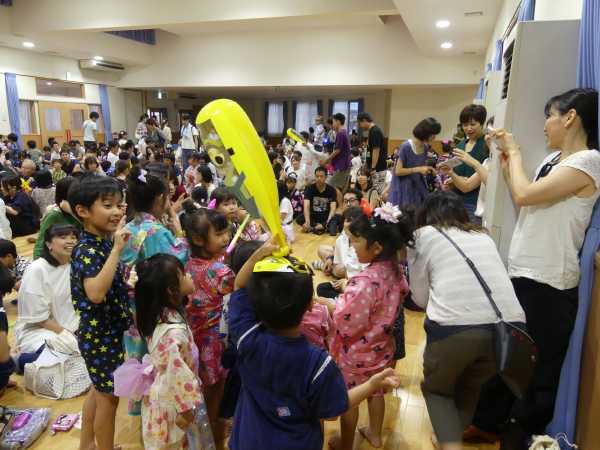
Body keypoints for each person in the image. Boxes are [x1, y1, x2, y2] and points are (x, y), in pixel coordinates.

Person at [475, 88, 600, 448]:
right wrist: (506, 161)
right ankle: (486, 424)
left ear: (570, 117)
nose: (545, 125)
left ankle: (516, 440)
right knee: (505, 355)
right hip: (524, 271)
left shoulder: (589, 161)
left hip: (551, 282)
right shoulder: (554, 159)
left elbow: (525, 194)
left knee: (538, 370)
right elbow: (527, 197)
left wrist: (515, 153)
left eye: (550, 115)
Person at [229, 239, 401, 450]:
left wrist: (259, 255)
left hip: (247, 440)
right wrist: (372, 385)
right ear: (311, 304)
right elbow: (336, 408)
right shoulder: (319, 364)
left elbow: (239, 285)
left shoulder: (247, 338)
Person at [407, 191, 526, 450]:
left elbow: (419, 297)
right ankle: (450, 436)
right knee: (471, 386)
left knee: (438, 390)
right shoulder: (483, 236)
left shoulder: (422, 236)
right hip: (509, 331)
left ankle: (450, 442)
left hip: (454, 328)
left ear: (425, 215)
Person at [323, 202, 410, 450]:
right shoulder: (396, 271)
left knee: (349, 398)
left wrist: (326, 304)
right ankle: (375, 434)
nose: (352, 247)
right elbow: (402, 293)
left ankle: (346, 443)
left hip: (356, 355)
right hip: (382, 348)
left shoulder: (364, 281)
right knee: (376, 390)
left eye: (355, 242)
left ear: (377, 247)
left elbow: (345, 319)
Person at [115, 254, 208, 449]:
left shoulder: (159, 314)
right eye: (184, 275)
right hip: (174, 404)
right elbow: (177, 375)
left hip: (169, 396)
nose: (189, 276)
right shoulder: (172, 333)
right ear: (171, 290)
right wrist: (186, 410)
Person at [68, 175, 133, 450]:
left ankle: (87, 445)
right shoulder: (87, 248)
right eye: (108, 205)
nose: (116, 211)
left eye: (119, 205)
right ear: (82, 211)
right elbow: (95, 293)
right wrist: (117, 250)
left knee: (98, 390)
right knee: (109, 399)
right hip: (99, 335)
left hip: (106, 332)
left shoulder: (101, 241)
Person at [183, 208, 234, 442]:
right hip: (212, 339)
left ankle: (200, 432)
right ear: (198, 239)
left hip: (192, 336)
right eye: (219, 233)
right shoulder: (219, 271)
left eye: (226, 232)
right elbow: (237, 286)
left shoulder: (188, 262)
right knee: (215, 388)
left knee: (198, 386)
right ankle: (212, 433)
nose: (226, 238)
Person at [15, 224, 80, 355]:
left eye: (73, 237)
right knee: (67, 352)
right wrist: (66, 334)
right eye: (63, 237)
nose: (70, 241)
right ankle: (20, 359)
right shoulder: (37, 269)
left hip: (73, 326)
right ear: (48, 244)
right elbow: (39, 319)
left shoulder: (77, 264)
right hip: (41, 329)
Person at [445, 105, 489, 222]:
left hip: (474, 203)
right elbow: (457, 172)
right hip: (455, 201)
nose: (469, 128)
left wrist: (457, 177)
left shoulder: (487, 145)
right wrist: (451, 180)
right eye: (465, 125)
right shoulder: (460, 145)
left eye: (473, 124)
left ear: (482, 123)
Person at [315, 206, 367, 299]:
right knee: (321, 288)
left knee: (340, 269)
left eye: (354, 221)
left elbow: (366, 276)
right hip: (349, 279)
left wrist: (346, 283)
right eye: (348, 220)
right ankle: (343, 299)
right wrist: (331, 259)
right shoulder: (342, 238)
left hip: (361, 286)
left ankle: (343, 301)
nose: (351, 224)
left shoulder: (364, 243)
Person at [389, 117, 440, 208]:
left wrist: (429, 169)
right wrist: (418, 169)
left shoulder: (425, 147)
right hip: (403, 188)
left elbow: (420, 168)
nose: (434, 137)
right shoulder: (406, 146)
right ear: (426, 133)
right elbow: (398, 171)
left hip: (417, 187)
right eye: (433, 134)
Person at [33, 177, 80, 259]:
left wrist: (71, 212)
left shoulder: (80, 210)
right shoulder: (54, 215)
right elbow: (41, 243)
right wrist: (38, 262)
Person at [358, 112, 388, 195]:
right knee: (372, 192)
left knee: (376, 193)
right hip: (374, 168)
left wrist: (373, 167)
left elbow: (376, 150)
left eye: (360, 123)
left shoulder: (375, 131)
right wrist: (367, 164)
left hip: (378, 169)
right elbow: (369, 151)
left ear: (364, 120)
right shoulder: (371, 131)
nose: (360, 126)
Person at [302, 166, 337, 235]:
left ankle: (320, 226)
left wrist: (326, 223)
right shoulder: (309, 189)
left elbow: (333, 208)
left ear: (326, 177)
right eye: (317, 176)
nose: (319, 178)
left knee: (335, 220)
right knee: (300, 218)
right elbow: (306, 206)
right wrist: (307, 222)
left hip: (325, 217)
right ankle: (316, 227)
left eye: (321, 176)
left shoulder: (331, 190)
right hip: (313, 216)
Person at [325, 113, 352, 191]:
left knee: (332, 187)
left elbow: (337, 150)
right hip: (343, 164)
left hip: (342, 165)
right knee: (338, 188)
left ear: (338, 122)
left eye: (333, 122)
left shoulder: (340, 133)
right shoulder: (343, 132)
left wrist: (326, 160)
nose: (332, 125)